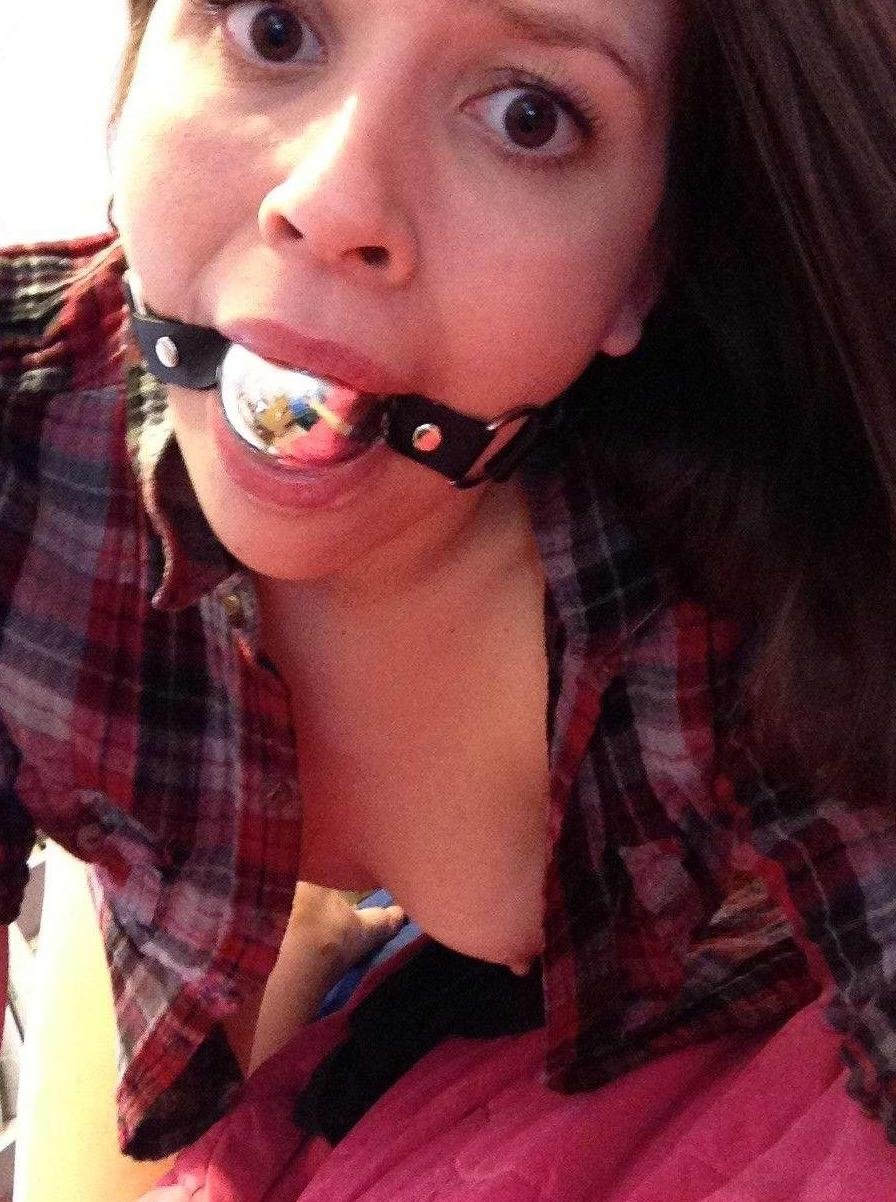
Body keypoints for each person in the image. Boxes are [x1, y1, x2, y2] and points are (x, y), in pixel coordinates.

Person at [1, 0, 895, 1198]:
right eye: (274, 29)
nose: (331, 201)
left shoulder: (768, 586)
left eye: (528, 116)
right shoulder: (26, 448)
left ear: (643, 265)